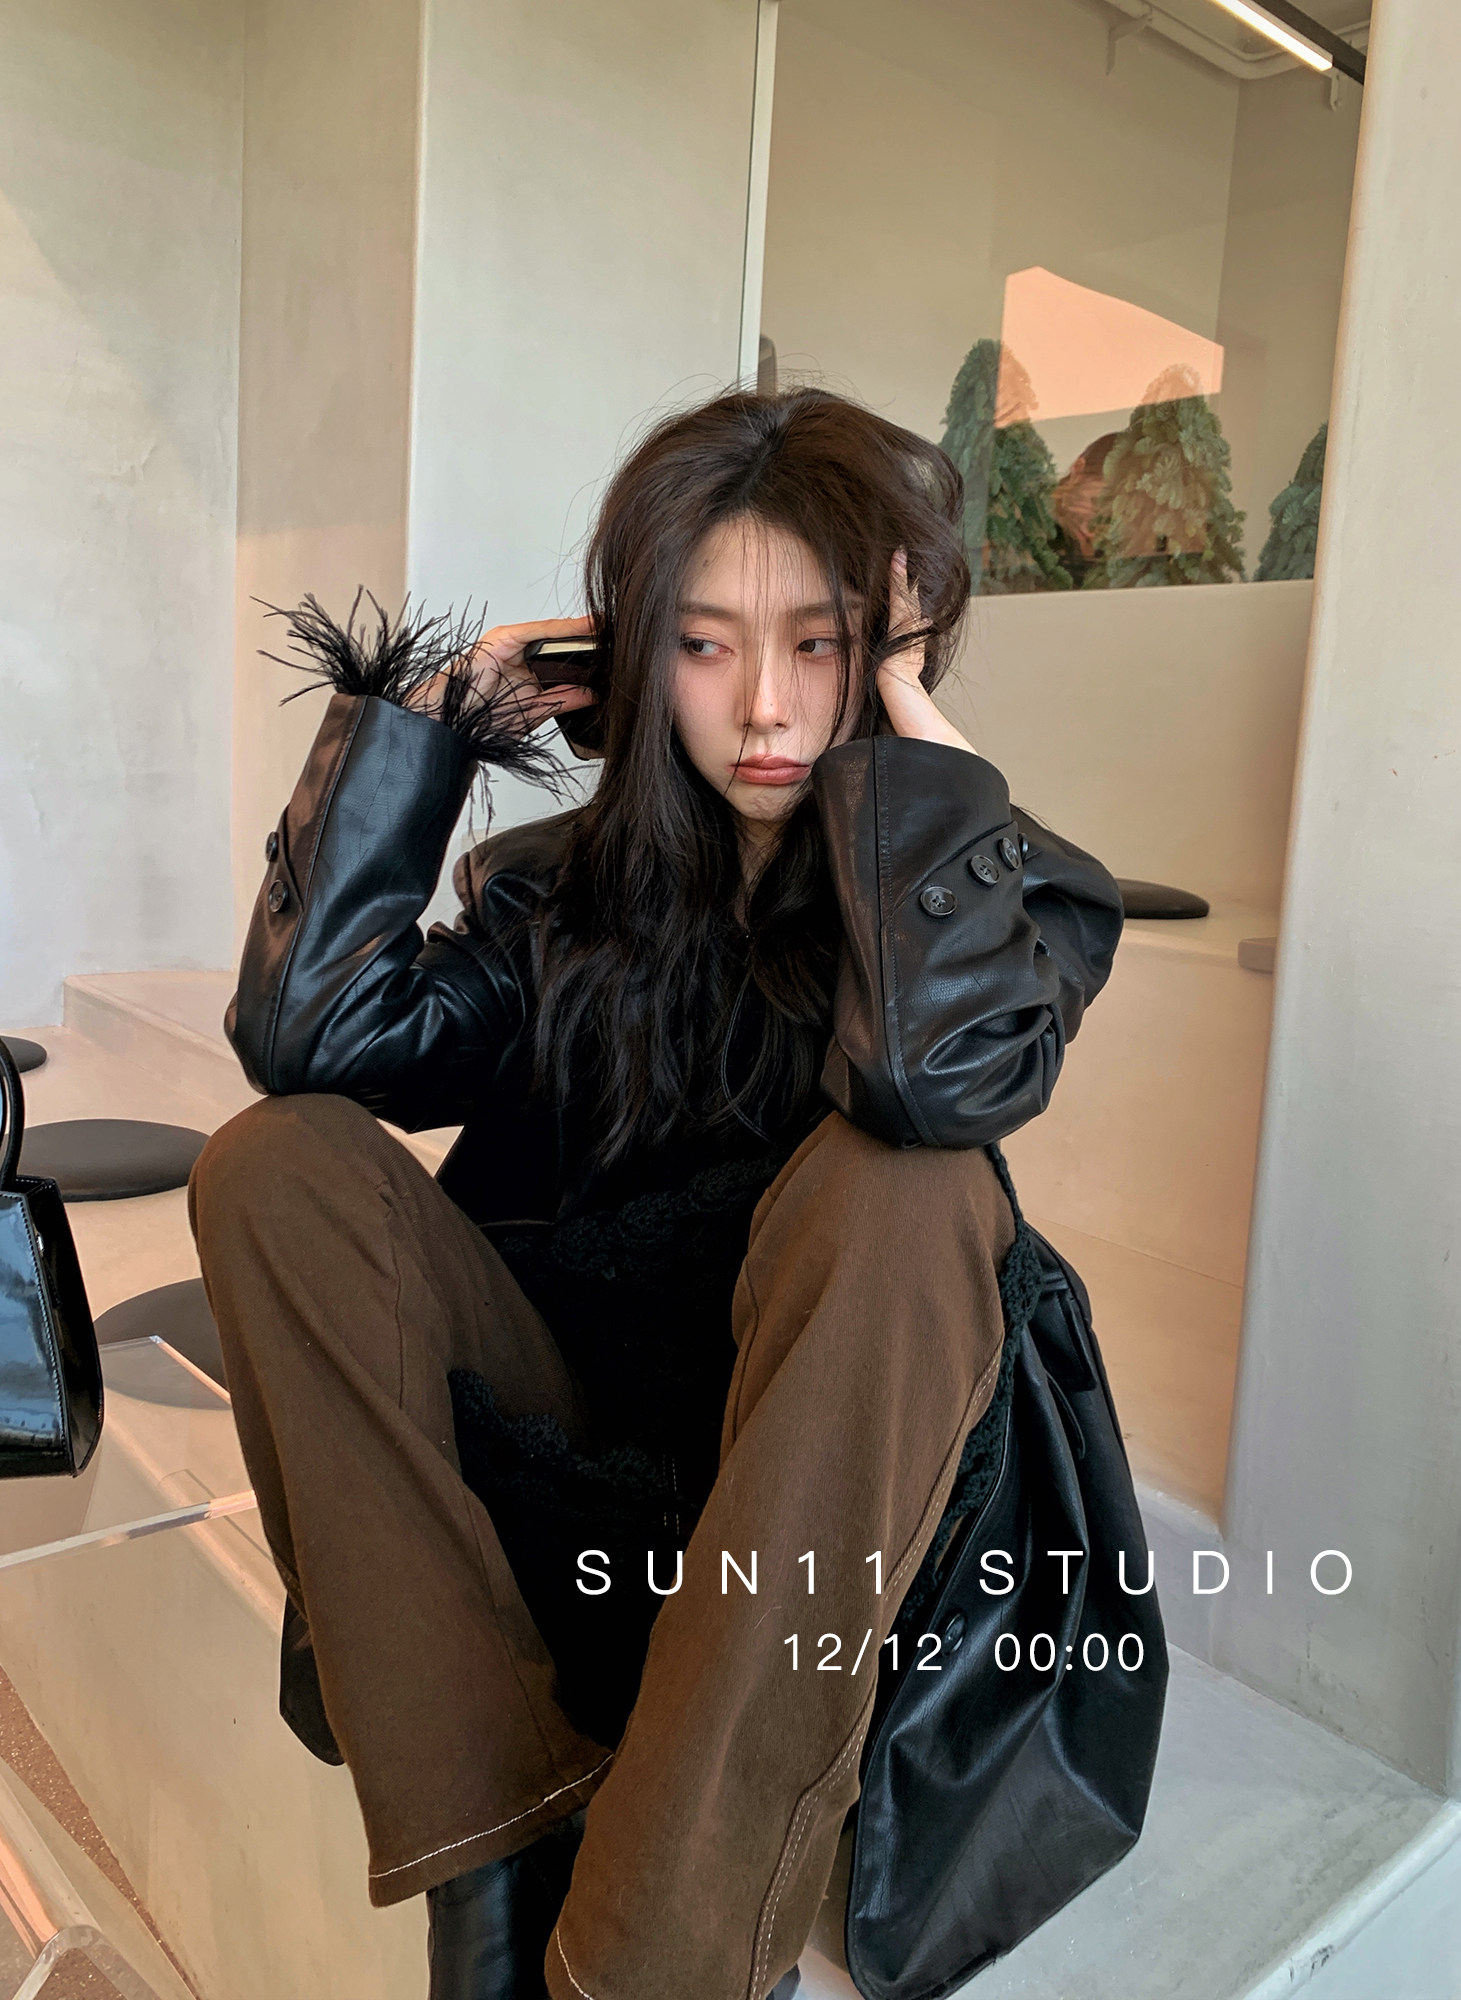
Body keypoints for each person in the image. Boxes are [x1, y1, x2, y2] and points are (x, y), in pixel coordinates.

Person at [188, 386, 1124, 2000]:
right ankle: (492, 1860)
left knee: (910, 1191)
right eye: (702, 645)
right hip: (594, 1444)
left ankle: (654, 1961)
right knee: (273, 1167)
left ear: (894, 645)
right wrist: (433, 721)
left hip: (835, 1501)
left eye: (822, 643)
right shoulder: (558, 896)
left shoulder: (1010, 895)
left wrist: (916, 770)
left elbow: (936, 1092)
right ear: (633, 662)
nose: (765, 703)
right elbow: (311, 1036)